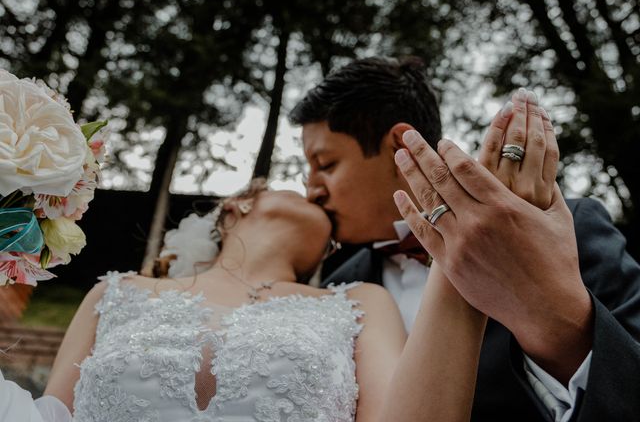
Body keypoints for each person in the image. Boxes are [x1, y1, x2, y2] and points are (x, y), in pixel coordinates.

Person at [291, 56, 640, 422]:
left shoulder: (571, 227)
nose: (312, 191)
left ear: (399, 146)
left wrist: (551, 319)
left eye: (326, 165)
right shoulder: (336, 288)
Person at [3, 179, 487, 421]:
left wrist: (462, 253)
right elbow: (50, 418)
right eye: (297, 186)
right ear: (241, 203)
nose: (319, 191)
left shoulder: (360, 303)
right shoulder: (114, 292)